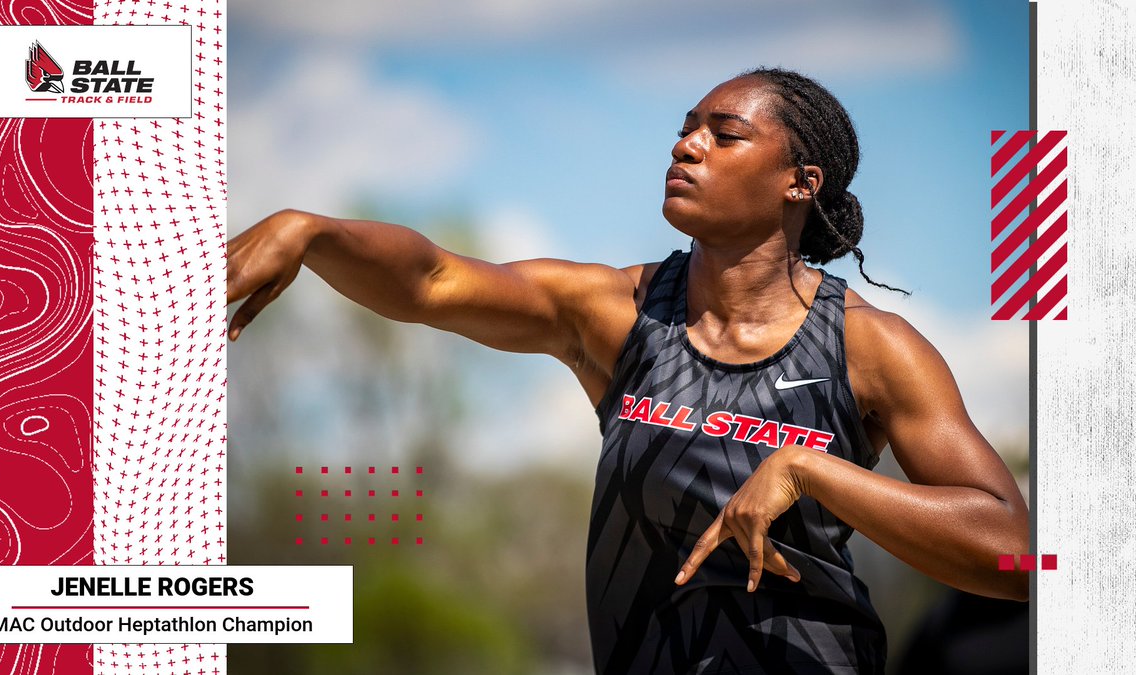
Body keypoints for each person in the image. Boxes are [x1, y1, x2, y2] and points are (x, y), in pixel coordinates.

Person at [226, 67, 1030, 674]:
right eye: (686, 129)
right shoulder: (619, 315)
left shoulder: (870, 347)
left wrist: (812, 470)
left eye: (725, 134)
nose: (687, 145)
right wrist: (313, 231)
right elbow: (433, 279)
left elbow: (1018, 556)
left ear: (799, 181)